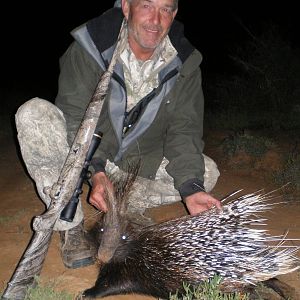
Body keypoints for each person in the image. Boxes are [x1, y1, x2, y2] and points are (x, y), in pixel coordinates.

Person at [15, 0, 221, 270]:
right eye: (147, 5)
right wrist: (96, 170)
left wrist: (191, 190)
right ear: (126, 7)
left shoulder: (186, 62)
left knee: (205, 172)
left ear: (175, 13)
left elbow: (185, 130)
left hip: (136, 166)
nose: (156, 20)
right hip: (86, 155)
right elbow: (74, 117)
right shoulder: (91, 45)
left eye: (166, 9)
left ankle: (124, 204)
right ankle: (71, 224)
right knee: (33, 114)